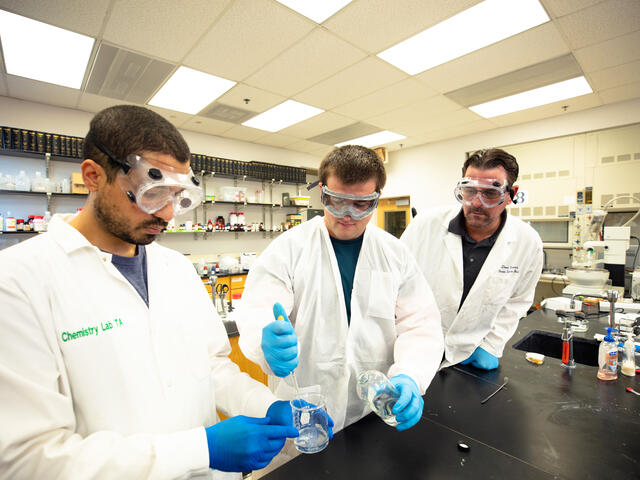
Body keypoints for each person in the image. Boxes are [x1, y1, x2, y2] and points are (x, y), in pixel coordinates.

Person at [0, 105, 298, 479]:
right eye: (153, 194)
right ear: (93, 176)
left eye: (177, 196)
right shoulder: (17, 282)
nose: (168, 214)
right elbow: (28, 460)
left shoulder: (175, 269)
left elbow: (212, 366)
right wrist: (200, 449)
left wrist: (263, 404)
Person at [236, 145, 444, 435]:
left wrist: (410, 374)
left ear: (376, 199)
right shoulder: (288, 249)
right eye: (336, 200)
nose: (347, 214)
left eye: (361, 204)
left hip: (373, 409)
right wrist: (265, 342)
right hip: (304, 408)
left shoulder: (396, 254)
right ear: (322, 192)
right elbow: (258, 312)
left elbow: (420, 324)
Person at [400, 148, 543, 370]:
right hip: (413, 347)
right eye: (469, 191)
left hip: (471, 353)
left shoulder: (527, 242)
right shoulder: (425, 226)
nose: (476, 202)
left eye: (490, 193)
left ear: (510, 195)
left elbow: (517, 301)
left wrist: (491, 346)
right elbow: (396, 283)